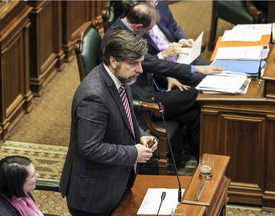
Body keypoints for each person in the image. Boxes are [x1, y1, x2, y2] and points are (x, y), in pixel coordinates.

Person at [100, 2, 224, 161]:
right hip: (141, 102)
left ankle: (198, 157)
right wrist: (197, 70)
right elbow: (153, 64)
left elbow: (151, 66)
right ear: (138, 27)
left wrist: (167, 77)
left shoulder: (125, 24)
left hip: (151, 87)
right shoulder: (122, 40)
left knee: (194, 113)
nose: (149, 33)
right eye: (149, 30)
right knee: (197, 94)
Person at [59, 30, 158, 216]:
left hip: (115, 183)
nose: (140, 69)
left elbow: (124, 119)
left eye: (141, 62)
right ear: (114, 60)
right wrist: (133, 152)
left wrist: (142, 136)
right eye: (133, 63)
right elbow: (89, 147)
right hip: (93, 197)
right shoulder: (94, 95)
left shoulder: (120, 78)